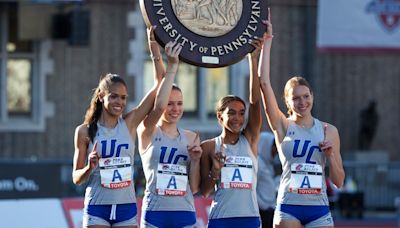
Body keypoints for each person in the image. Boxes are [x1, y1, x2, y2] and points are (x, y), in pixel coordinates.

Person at [72, 26, 166, 228]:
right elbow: (76, 178)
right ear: (101, 97)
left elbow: (160, 82)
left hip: (126, 208)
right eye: (113, 96)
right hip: (98, 206)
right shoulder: (84, 131)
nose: (119, 102)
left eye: (123, 98)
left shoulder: (130, 122)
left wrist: (153, 49)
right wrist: (90, 166)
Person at [259, 11, 345, 228]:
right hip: (289, 206)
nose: (302, 102)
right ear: (288, 102)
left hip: (319, 209)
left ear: (312, 96)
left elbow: (339, 180)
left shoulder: (328, 130)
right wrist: (267, 42)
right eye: (295, 98)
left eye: (306, 96)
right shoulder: (282, 125)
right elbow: (264, 84)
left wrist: (331, 155)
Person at [136, 39, 203, 227]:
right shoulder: (146, 130)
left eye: (180, 103)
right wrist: (169, 64)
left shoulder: (192, 137)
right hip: (154, 214)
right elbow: (157, 108)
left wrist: (196, 160)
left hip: (185, 213)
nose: (175, 109)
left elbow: (195, 187)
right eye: (170, 103)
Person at [199, 37, 263, 228]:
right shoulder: (209, 146)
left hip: (250, 219)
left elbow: (255, 102)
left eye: (241, 114)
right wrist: (215, 170)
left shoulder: (250, 139)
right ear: (220, 117)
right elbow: (204, 191)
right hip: (220, 219)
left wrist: (253, 60)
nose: (238, 118)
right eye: (232, 113)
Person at [256, 131, 278, 228]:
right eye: (273, 147)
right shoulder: (257, 163)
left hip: (270, 209)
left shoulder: (268, 164)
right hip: (262, 211)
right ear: (265, 145)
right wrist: (263, 205)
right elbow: (252, 188)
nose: (275, 151)